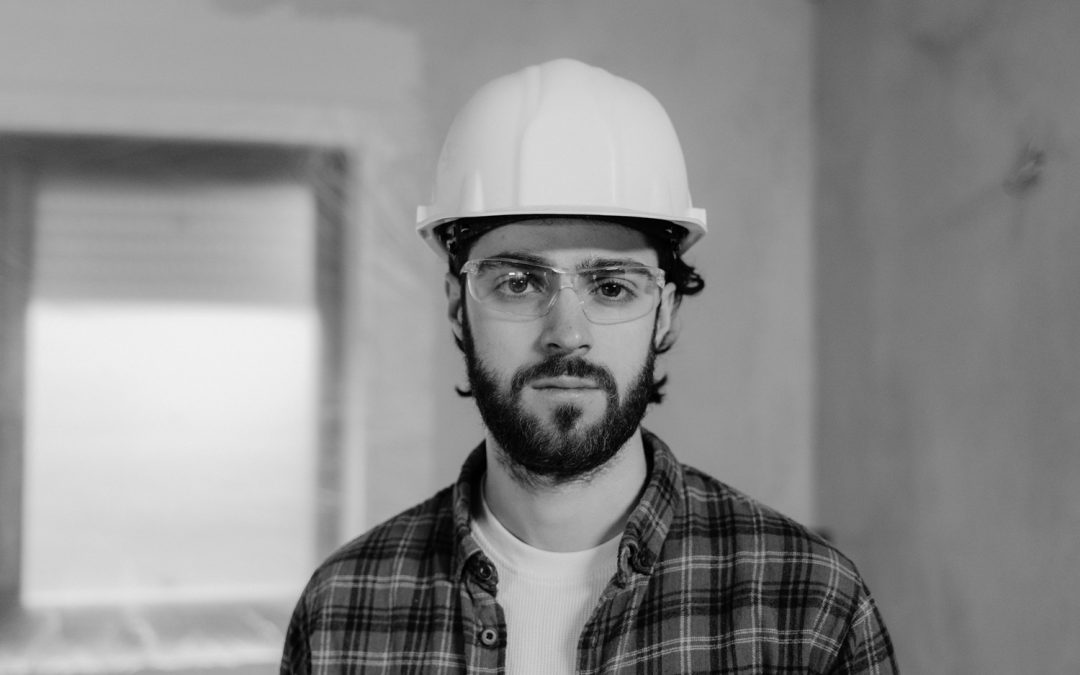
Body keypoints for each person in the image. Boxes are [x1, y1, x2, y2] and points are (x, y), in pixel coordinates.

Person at [281, 58, 897, 674]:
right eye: (519, 283)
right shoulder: (343, 609)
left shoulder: (807, 605)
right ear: (455, 307)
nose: (567, 335)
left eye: (611, 287)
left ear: (665, 314)